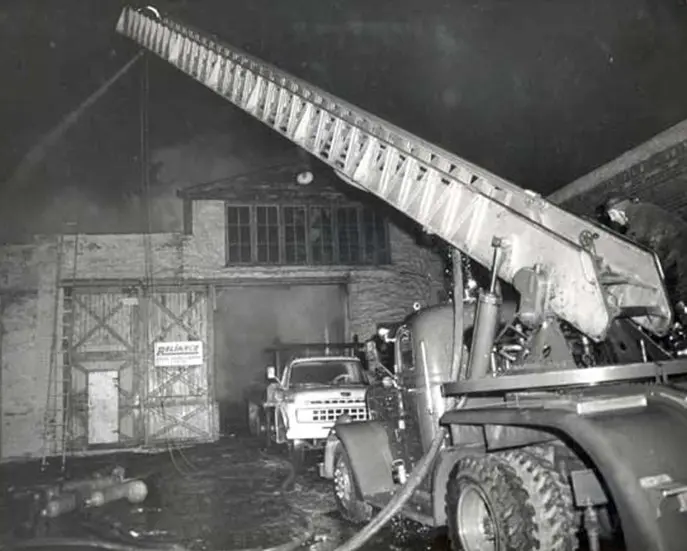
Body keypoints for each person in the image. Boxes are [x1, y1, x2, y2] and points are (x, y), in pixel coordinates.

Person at [596, 195, 687, 308]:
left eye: (612, 216)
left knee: (677, 291)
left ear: (618, 212)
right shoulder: (643, 210)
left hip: (678, 253)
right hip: (676, 249)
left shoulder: (638, 216)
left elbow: (636, 248)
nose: (614, 220)